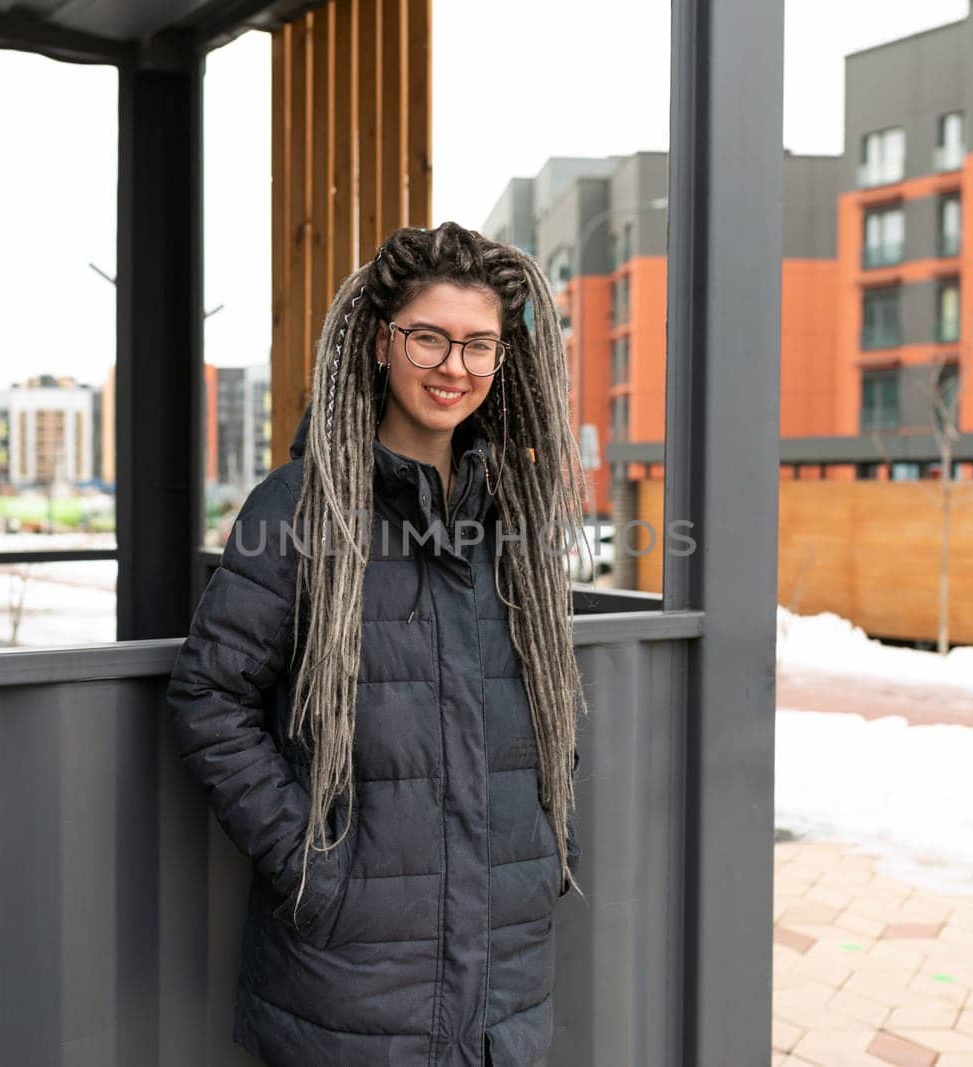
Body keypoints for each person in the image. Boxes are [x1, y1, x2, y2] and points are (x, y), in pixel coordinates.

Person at [166, 222, 588, 1066]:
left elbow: (551, 704)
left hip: (502, 980)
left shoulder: (513, 519)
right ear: (379, 342)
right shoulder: (298, 510)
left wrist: (547, 849)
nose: (453, 366)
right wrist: (314, 863)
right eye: (428, 336)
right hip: (350, 983)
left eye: (479, 344)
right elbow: (209, 697)